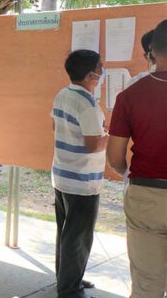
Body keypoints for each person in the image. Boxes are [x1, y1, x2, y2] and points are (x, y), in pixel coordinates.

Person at [107, 19, 167, 298]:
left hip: (146, 195)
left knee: (146, 287)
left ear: (152, 50)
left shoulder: (130, 96)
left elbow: (115, 157)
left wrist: (127, 173)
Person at [51, 50, 107, 298]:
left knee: (66, 232)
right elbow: (93, 145)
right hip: (82, 182)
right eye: (100, 68)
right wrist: (109, 136)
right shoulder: (87, 104)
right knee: (78, 237)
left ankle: (67, 278)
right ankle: (70, 290)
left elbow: (54, 125)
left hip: (62, 176)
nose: (102, 72)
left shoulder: (63, 94)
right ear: (90, 75)